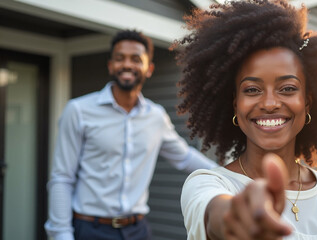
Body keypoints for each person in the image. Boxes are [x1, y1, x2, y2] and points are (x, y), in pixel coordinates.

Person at [174, 0, 317, 239]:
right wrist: (234, 216)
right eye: (251, 90)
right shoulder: (207, 184)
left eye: (288, 88)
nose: (269, 103)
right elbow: (216, 214)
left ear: (308, 102)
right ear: (235, 104)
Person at [44, 30, 217, 240]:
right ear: (111, 65)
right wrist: (61, 234)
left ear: (149, 68)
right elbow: (62, 178)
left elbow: (185, 157)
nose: (127, 65)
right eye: (120, 58)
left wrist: (229, 176)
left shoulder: (156, 116)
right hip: (90, 229)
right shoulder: (78, 111)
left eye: (136, 59)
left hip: (137, 230)